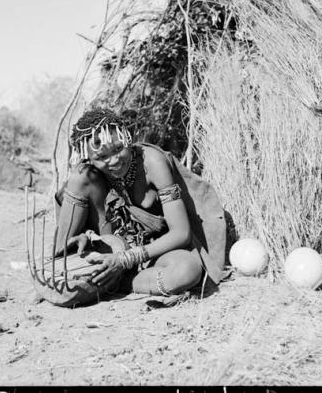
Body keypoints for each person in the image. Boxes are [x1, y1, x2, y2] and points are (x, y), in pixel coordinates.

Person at [53, 108, 226, 297]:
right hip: (106, 250)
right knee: (79, 177)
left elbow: (181, 233)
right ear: (89, 158)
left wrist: (126, 259)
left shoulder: (152, 162)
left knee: (187, 271)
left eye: (119, 148)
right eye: (101, 157)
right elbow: (60, 249)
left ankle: (120, 283)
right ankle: (106, 277)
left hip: (151, 251)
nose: (114, 161)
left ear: (128, 138)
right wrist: (82, 238)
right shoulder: (85, 178)